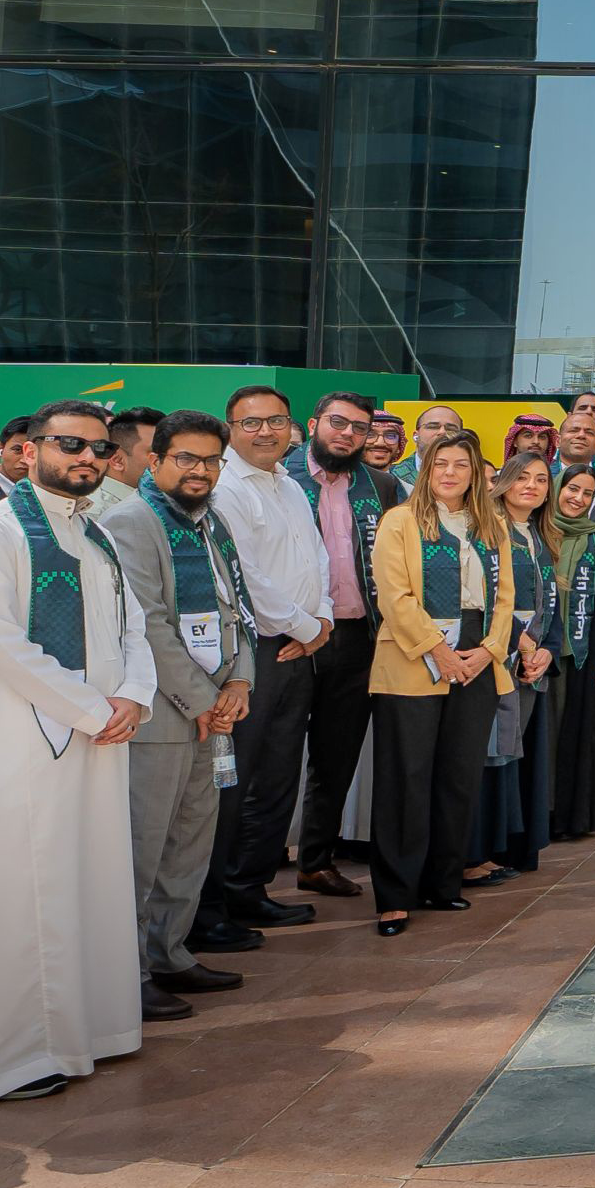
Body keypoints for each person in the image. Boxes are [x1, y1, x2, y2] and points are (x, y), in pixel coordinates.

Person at [0, 400, 150, 1102]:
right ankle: (10, 1057)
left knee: (86, 880)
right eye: (70, 445)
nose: (87, 458)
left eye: (98, 448)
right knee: (16, 893)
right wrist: (93, 708)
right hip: (13, 741)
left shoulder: (98, 535)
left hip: (98, 736)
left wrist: (134, 695)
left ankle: (89, 1030)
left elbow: (132, 625)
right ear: (28, 449)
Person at [93, 412, 255, 1026]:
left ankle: (171, 953)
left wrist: (240, 678)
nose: (200, 470)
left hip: (213, 708)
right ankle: (128, 973)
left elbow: (231, 605)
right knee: (144, 847)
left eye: (211, 460)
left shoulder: (210, 520)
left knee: (189, 843)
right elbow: (149, 622)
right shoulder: (131, 521)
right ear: (153, 461)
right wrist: (204, 699)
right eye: (186, 458)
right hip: (162, 713)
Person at [367, 433, 514, 937]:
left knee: (457, 774)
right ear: (427, 468)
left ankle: (441, 882)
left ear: (476, 474)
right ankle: (394, 896)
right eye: (441, 463)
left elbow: (505, 600)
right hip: (415, 655)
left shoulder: (491, 526)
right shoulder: (401, 521)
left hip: (475, 655)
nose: (451, 473)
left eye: (462, 465)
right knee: (405, 777)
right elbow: (394, 595)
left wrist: (490, 649)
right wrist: (438, 649)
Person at [200, 389, 327, 946]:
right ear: (231, 428)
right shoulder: (227, 488)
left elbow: (317, 557)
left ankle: (252, 889)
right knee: (237, 780)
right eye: (251, 422)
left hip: (301, 646)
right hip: (255, 653)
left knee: (278, 777)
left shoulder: (292, 485)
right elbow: (245, 577)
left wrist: (320, 621)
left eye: (277, 420)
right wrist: (307, 627)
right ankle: (217, 899)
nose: (266, 431)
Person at [268, 392, 390, 900]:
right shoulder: (279, 480)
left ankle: (316, 861)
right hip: (290, 637)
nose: (348, 434)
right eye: (338, 423)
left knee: (336, 757)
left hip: (358, 637)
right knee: (273, 758)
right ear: (315, 423)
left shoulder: (382, 486)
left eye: (360, 428)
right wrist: (300, 627)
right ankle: (252, 872)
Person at [474, 451, 559, 875]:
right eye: (522, 477)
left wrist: (546, 648)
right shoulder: (487, 530)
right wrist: (520, 644)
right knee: (489, 756)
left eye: (541, 479)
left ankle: (509, 848)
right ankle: (477, 853)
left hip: (530, 665)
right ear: (504, 482)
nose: (531, 486)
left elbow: (551, 603)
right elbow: (488, 598)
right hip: (496, 659)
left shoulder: (540, 536)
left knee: (515, 756)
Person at [538, 464, 595, 843]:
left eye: (587, 493)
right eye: (571, 489)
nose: (577, 498)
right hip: (540, 654)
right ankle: (541, 814)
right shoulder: (536, 529)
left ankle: (571, 816)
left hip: (583, 653)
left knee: (578, 734)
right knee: (543, 739)